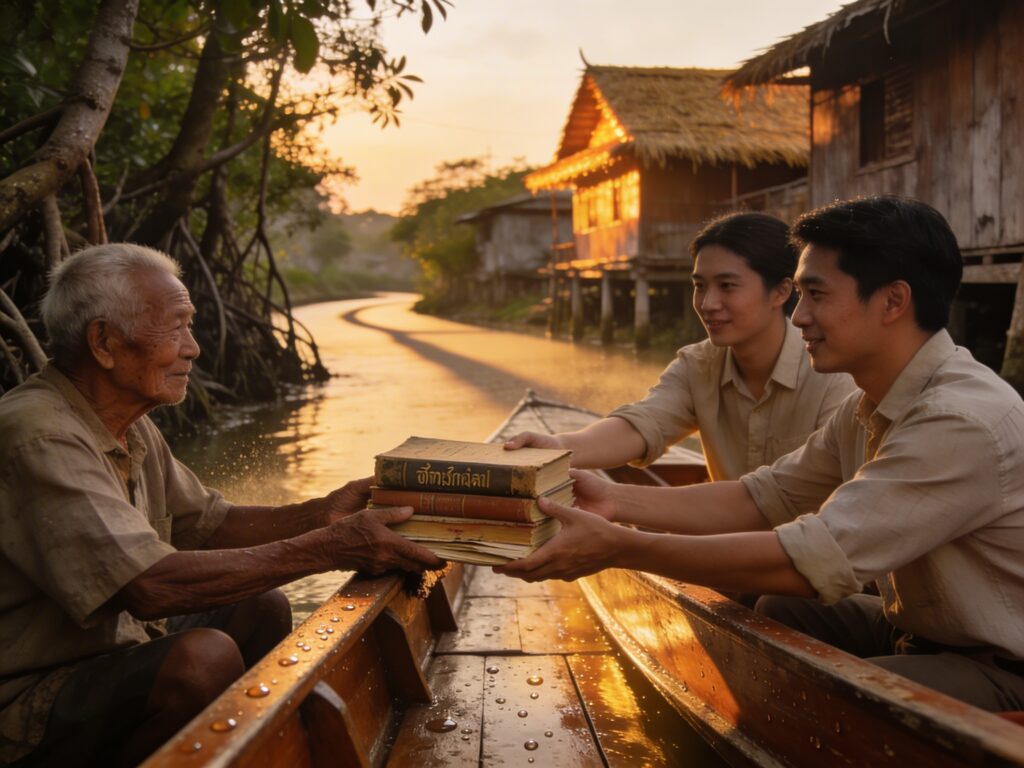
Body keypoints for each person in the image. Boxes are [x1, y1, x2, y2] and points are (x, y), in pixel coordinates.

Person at [497, 196, 1024, 711]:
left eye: (815, 295)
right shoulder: (871, 401)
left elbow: (809, 557)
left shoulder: (956, 418)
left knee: (824, 699)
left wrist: (619, 548)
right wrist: (614, 501)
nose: (800, 318)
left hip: (1001, 661)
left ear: (892, 302)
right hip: (917, 625)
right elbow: (762, 496)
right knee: (779, 611)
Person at [0, 244, 442, 766]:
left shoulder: (126, 422)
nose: (194, 349)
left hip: (106, 654)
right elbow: (150, 586)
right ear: (103, 341)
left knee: (262, 607)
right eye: (177, 328)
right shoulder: (38, 433)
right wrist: (331, 548)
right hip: (25, 699)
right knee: (201, 660)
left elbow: (210, 524)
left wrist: (322, 513)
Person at [504, 212, 856, 482]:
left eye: (728, 286)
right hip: (726, 547)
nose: (708, 303)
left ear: (780, 292)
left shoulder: (832, 375)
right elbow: (642, 424)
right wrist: (559, 447)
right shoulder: (698, 364)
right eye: (700, 286)